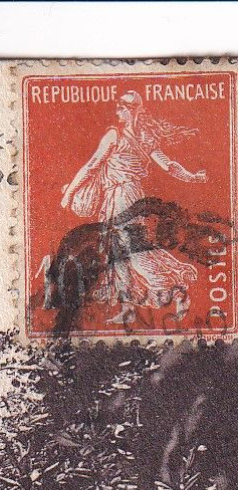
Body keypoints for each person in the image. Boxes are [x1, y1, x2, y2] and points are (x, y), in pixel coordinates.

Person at [59, 90, 208, 325]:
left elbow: (91, 167)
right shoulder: (145, 137)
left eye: (120, 107)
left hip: (121, 197)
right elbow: (169, 166)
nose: (117, 111)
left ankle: (176, 289)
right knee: (118, 253)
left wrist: (68, 194)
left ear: (129, 110)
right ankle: (128, 306)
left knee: (130, 252)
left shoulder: (114, 135)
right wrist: (193, 177)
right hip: (130, 195)